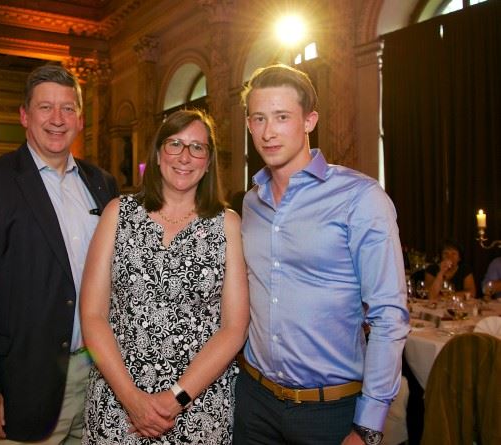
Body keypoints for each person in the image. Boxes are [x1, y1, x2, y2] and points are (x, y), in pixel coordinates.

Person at [235, 64, 409, 445]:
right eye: (259, 118)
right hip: (254, 403)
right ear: (248, 124)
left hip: (330, 412)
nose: (268, 131)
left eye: (282, 117)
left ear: (309, 121)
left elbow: (389, 315)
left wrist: (368, 426)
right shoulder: (251, 203)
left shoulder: (359, 198)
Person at [0, 63, 118, 443]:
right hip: (21, 386)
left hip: (97, 379)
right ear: (24, 115)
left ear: (80, 120)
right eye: (45, 107)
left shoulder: (102, 184)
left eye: (67, 108)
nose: (57, 119)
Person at [80, 109, 249, 444]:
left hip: (198, 407)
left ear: (208, 162)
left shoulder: (227, 224)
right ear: (158, 155)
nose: (185, 157)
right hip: (118, 403)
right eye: (175, 144)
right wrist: (131, 399)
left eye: (197, 147)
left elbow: (234, 328)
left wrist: (177, 398)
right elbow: (92, 315)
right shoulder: (118, 213)